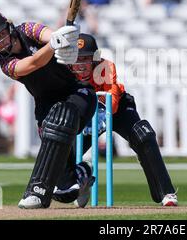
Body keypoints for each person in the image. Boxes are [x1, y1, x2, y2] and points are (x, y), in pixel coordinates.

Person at [0, 11, 97, 209]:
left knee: (60, 120)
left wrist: (63, 37)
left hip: (77, 93)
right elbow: (34, 63)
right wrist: (53, 45)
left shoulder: (27, 29)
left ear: (8, 27)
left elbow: (48, 34)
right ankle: (83, 175)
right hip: (46, 106)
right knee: (66, 191)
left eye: (0, 34)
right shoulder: (6, 65)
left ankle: (37, 191)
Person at [52, 33, 178, 207]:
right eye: (76, 59)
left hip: (114, 110)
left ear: (94, 58)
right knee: (61, 151)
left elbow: (113, 104)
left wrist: (97, 116)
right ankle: (83, 178)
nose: (80, 65)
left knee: (144, 135)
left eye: (86, 58)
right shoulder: (63, 72)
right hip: (84, 112)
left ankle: (166, 193)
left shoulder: (105, 67)